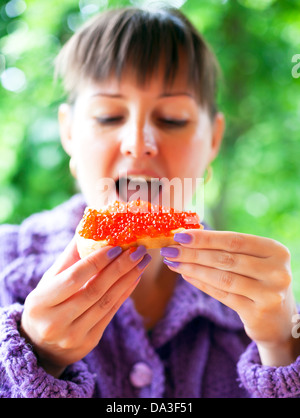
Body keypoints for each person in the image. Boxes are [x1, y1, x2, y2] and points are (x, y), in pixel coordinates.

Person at [0, 7, 299, 399]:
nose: (139, 142)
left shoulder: (265, 303)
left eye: (172, 119)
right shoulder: (8, 269)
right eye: (109, 116)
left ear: (213, 140)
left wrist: (283, 350)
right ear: (68, 134)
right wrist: (36, 361)